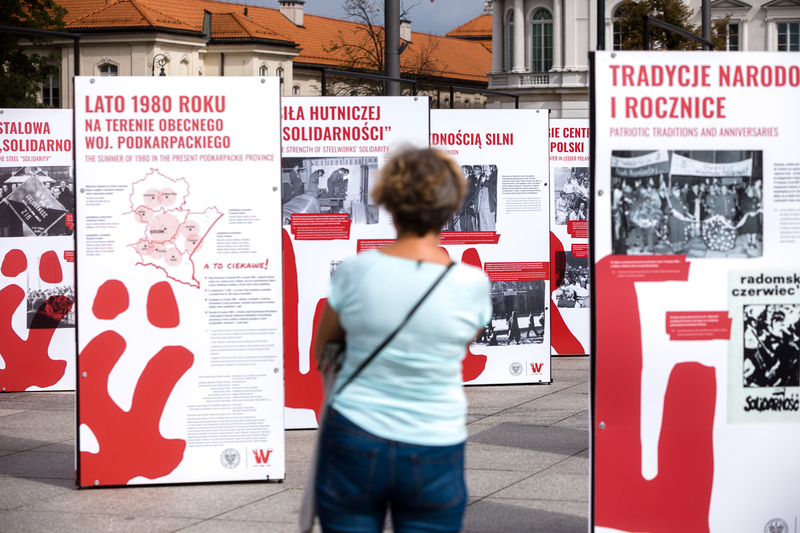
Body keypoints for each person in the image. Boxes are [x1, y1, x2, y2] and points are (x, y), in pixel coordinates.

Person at [312, 148, 491, 533]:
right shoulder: (471, 283)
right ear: (452, 204)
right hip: (434, 439)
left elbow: (324, 351)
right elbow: (467, 338)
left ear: (389, 202)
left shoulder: (355, 270)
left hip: (355, 434)